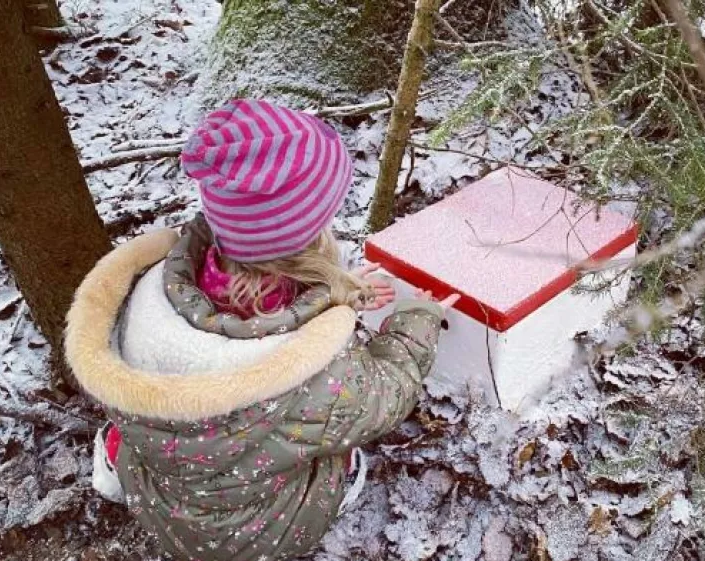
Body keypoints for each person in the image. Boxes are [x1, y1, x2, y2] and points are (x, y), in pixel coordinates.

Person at [64, 99, 458, 561]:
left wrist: (336, 296)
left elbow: (265, 309)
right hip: (253, 538)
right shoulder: (312, 375)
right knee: (338, 450)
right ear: (308, 237)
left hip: (155, 496)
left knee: (155, 427)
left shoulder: (146, 297)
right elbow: (386, 395)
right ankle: (338, 486)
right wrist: (416, 321)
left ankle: (114, 460)